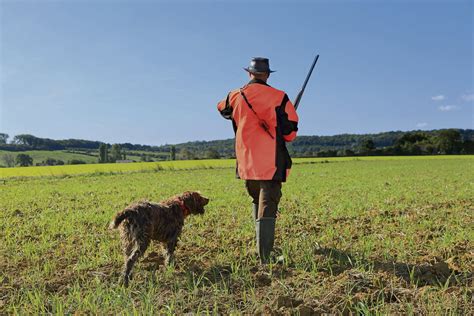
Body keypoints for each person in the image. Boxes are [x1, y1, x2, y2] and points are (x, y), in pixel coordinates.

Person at [217, 57, 299, 263]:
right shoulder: (280, 97)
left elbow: (222, 109)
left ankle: (261, 248)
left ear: (249, 74)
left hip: (246, 161)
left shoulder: (235, 95)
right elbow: (290, 133)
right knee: (268, 204)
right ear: (268, 75)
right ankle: (265, 258)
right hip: (270, 162)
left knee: (257, 200)